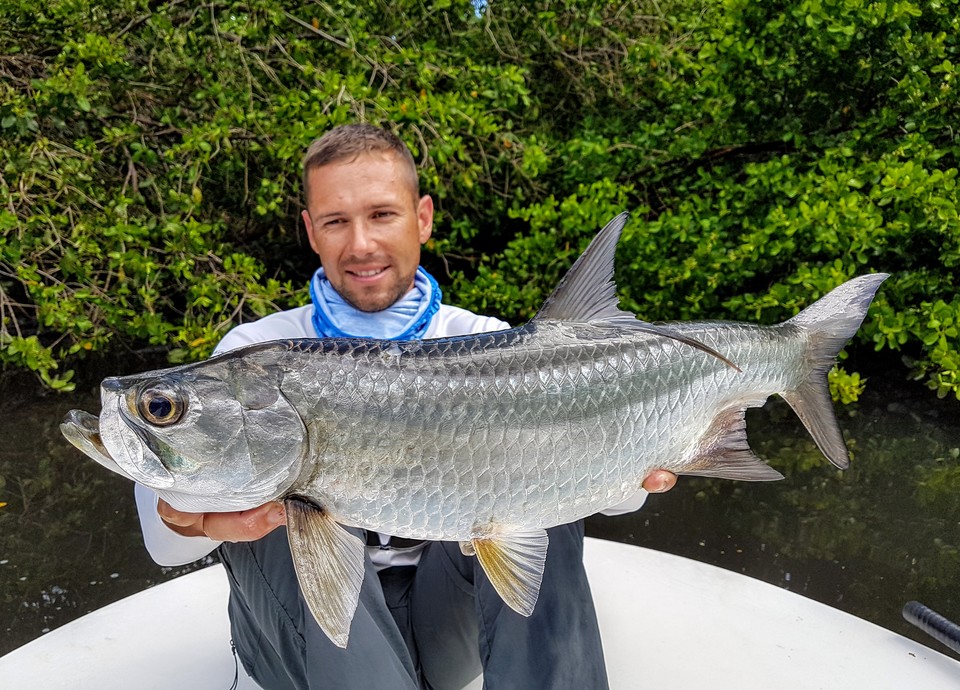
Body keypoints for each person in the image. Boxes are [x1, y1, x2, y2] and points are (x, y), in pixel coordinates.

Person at [135, 123, 677, 689]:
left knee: (540, 497)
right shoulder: (250, 355)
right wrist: (193, 515)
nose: (361, 244)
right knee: (275, 492)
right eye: (336, 221)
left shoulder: (491, 341)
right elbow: (162, 544)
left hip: (448, 623)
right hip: (303, 645)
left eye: (382, 215)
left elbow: (618, 502)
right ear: (311, 231)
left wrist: (642, 453)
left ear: (422, 217)